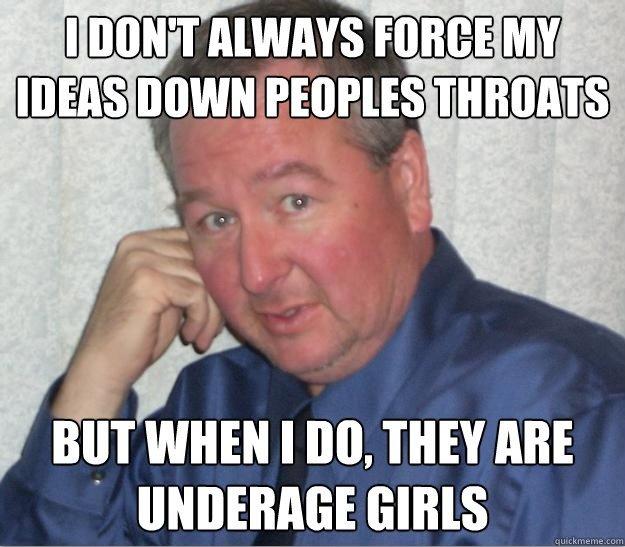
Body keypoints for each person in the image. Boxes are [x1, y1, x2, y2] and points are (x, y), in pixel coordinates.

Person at [1, 0, 624, 544]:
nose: (256, 273)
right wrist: (94, 384)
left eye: (295, 201)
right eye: (217, 220)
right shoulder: (216, 413)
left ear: (408, 181)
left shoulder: (577, 425)